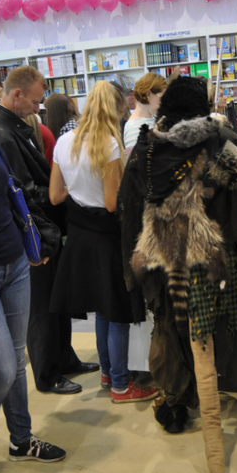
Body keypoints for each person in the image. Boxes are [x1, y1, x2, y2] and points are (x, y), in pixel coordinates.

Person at [119, 75, 237, 433]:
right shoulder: (219, 139)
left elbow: (129, 208)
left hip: (169, 260)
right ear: (202, 107)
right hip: (221, 253)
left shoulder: (147, 147)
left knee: (172, 329)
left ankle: (176, 408)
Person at [0, 58, 66, 473]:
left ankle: (21, 439)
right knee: (1, 367)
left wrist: (31, 243)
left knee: (17, 361)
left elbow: (10, 194)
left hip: (14, 266)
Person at [0, 66, 98, 395]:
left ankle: (64, 359)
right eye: (35, 102)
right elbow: (22, 190)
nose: (38, 109)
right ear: (16, 94)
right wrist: (60, 196)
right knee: (42, 306)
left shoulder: (12, 128)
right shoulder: (1, 133)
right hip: (34, 230)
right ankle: (48, 374)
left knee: (56, 300)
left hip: (45, 224)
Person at [49, 81, 159, 404]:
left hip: (80, 234)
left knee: (101, 308)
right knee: (118, 311)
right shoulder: (109, 144)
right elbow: (112, 203)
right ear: (115, 110)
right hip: (108, 237)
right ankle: (121, 385)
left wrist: (80, 189)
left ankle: (108, 374)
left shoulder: (63, 142)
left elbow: (55, 195)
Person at [122, 72, 167, 149]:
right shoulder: (134, 128)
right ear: (148, 94)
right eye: (162, 97)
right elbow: (137, 156)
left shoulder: (151, 117)